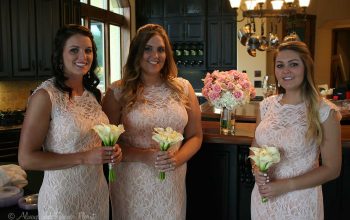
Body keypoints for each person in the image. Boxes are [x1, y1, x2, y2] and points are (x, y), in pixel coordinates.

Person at [18, 24, 122, 220]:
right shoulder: (45, 96)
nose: (83, 57)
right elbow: (26, 159)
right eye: (74, 50)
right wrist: (84, 157)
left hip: (96, 195)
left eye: (88, 50)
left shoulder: (94, 94)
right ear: (60, 55)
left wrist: (112, 150)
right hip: (62, 202)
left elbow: (92, 141)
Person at [102, 24, 203, 220]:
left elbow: (196, 135)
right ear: (136, 52)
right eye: (147, 48)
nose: (154, 55)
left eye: (160, 49)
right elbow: (108, 144)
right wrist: (144, 156)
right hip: (132, 179)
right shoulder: (117, 92)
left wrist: (177, 159)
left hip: (171, 178)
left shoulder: (183, 88)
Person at [250, 41, 342, 219]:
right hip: (264, 199)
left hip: (300, 202)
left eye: (293, 64)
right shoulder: (266, 106)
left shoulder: (324, 111)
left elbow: (332, 168)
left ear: (306, 68)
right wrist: (257, 170)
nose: (286, 71)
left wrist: (285, 186)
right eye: (280, 65)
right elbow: (256, 149)